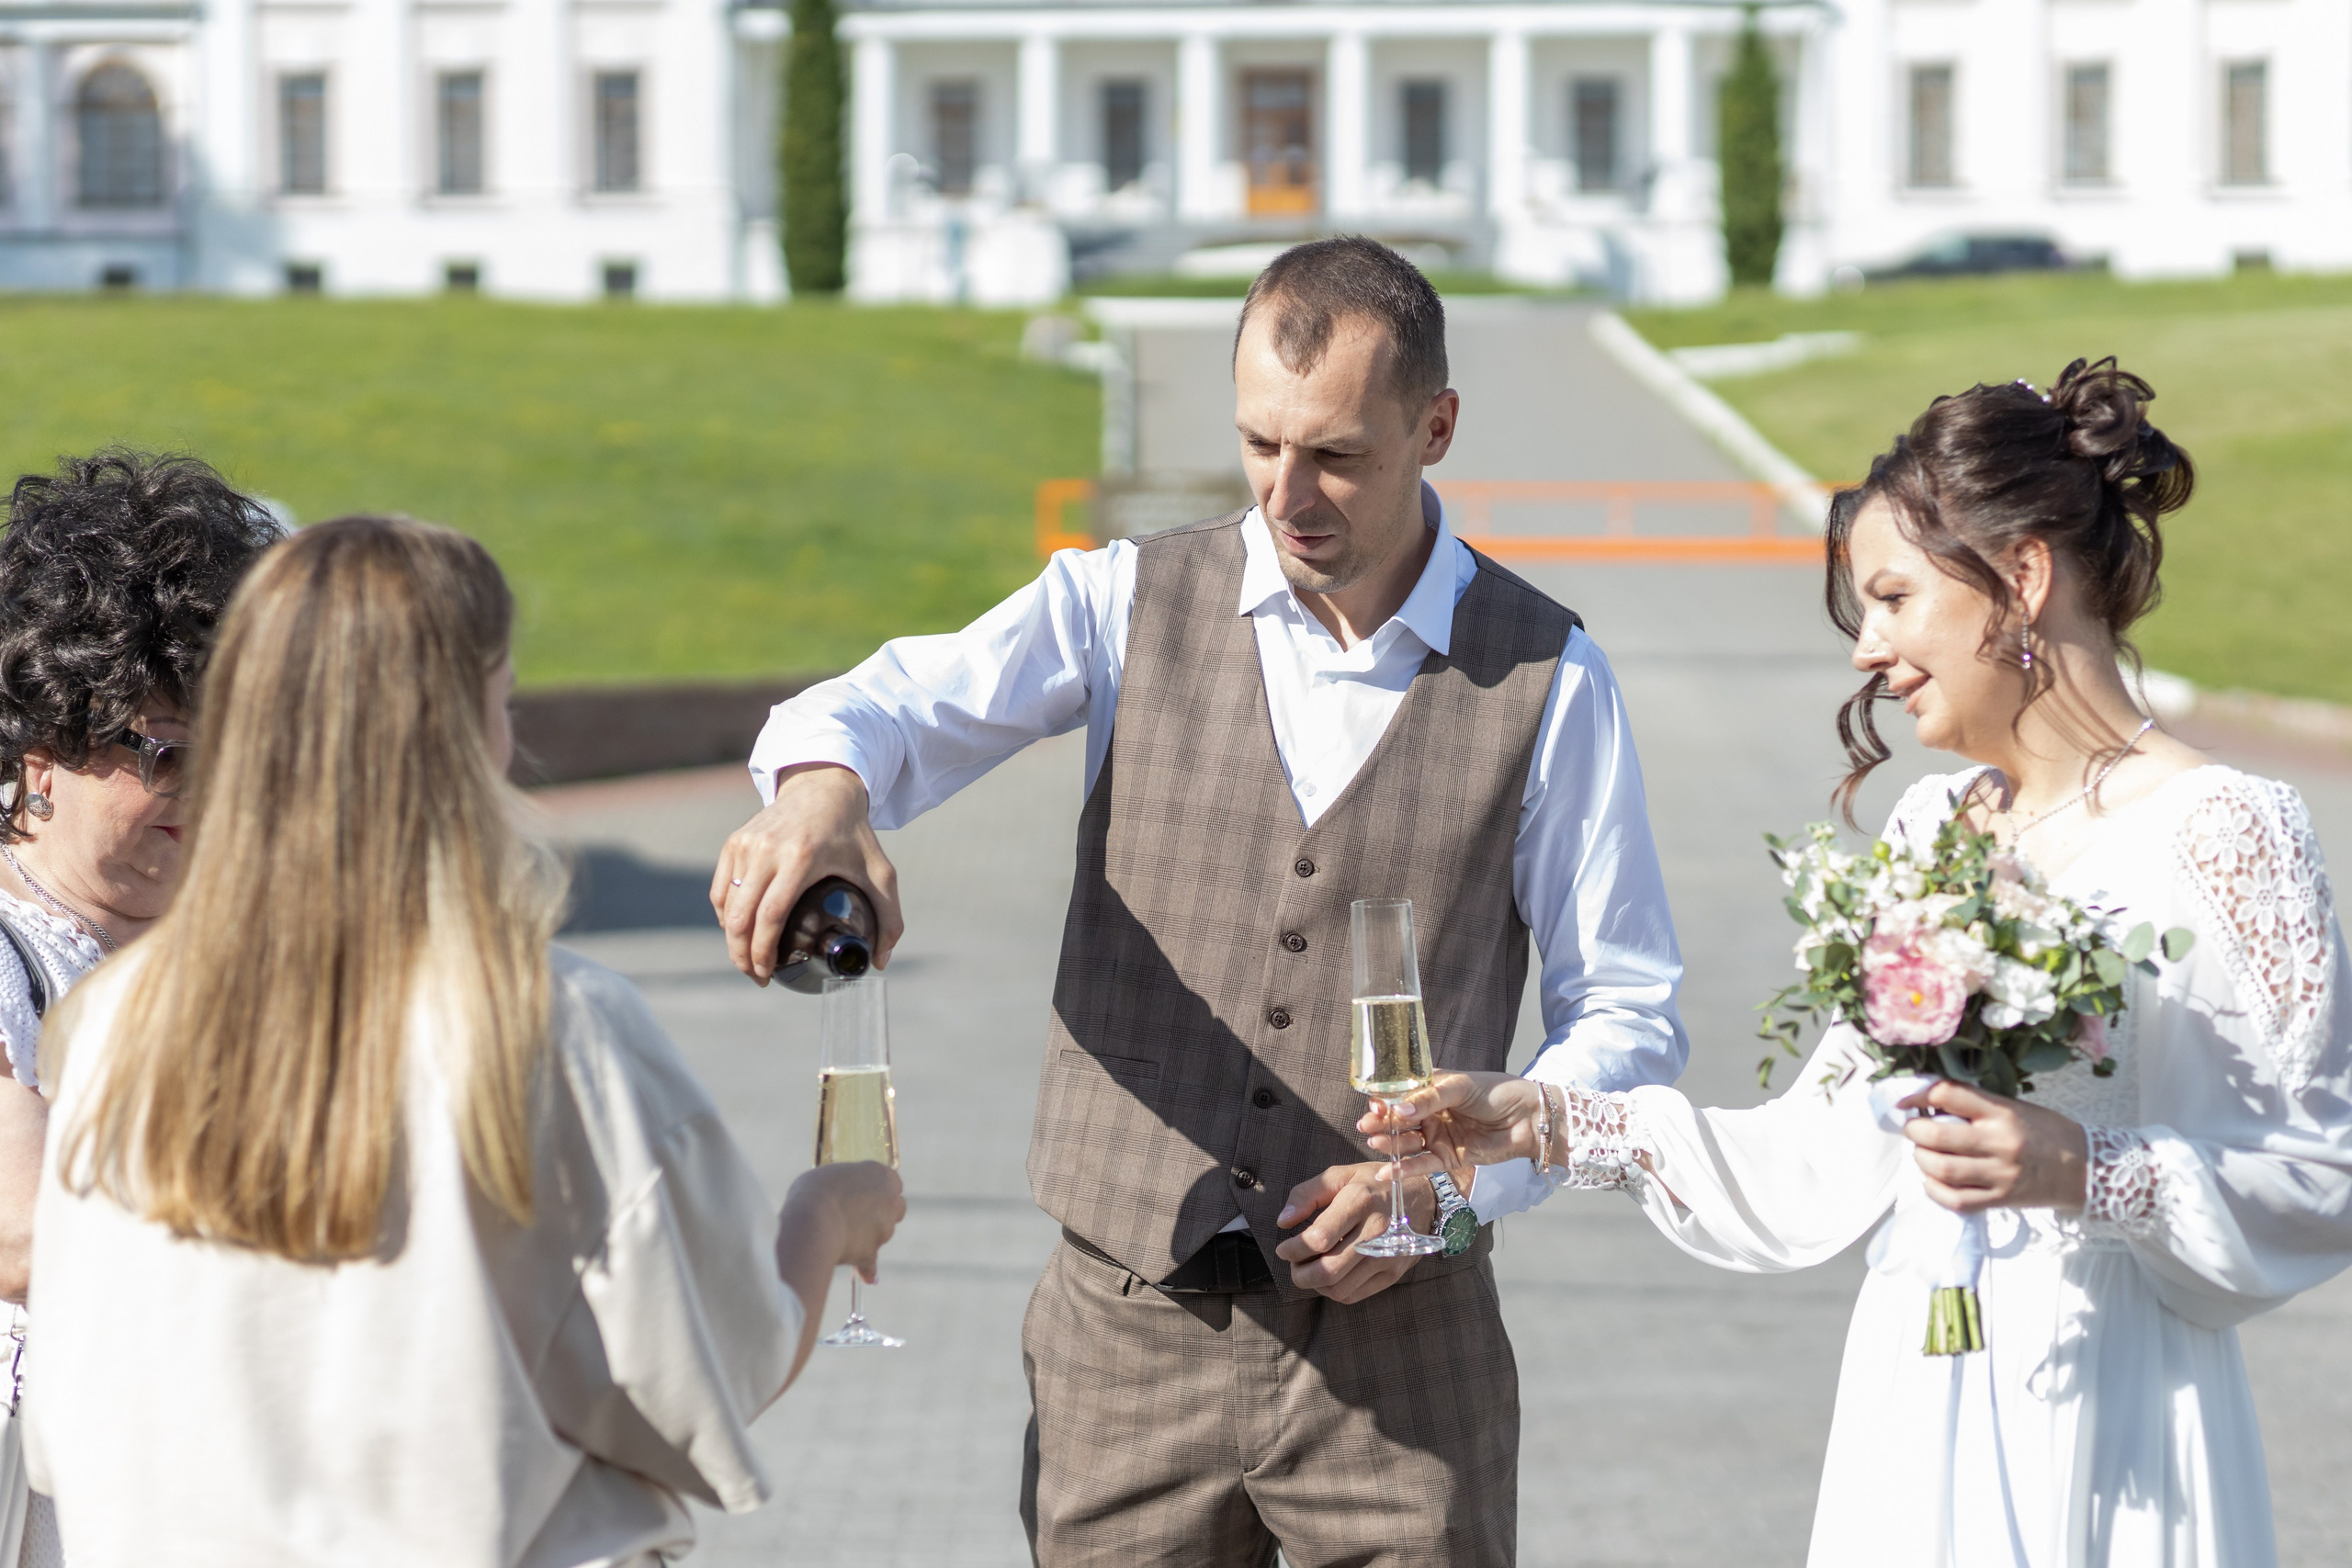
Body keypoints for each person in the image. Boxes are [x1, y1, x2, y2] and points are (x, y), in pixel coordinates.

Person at [714, 237, 1686, 1563]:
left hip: (1407, 1365)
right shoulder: (1122, 600)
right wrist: (822, 789)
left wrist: (1456, 1188)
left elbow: (1629, 1017)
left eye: (1337, 453)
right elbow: (882, 703)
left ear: (1437, 425)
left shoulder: (1553, 676)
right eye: (1259, 443)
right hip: (1123, 1338)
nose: (1289, 493)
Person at [1370, 360, 2352, 1567]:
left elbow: (2318, 1174)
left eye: (1892, 597)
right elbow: (1815, 1155)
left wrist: (2088, 1170)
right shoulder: (1931, 830)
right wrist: (1548, 1116)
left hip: (2114, 1412)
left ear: (2023, 577)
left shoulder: (2225, 825)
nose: (1865, 650)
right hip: (1915, 1399)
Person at [24, 516, 905, 1567]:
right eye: (504, 695)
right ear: (465, 723)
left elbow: (65, 1424)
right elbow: (705, 1374)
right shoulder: (552, 1025)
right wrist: (827, 1217)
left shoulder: (113, 1023)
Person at [0, 451, 280, 1568]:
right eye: (161, 753)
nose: (204, 795)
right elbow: (24, 1237)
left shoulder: (259, 955)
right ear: (40, 743)